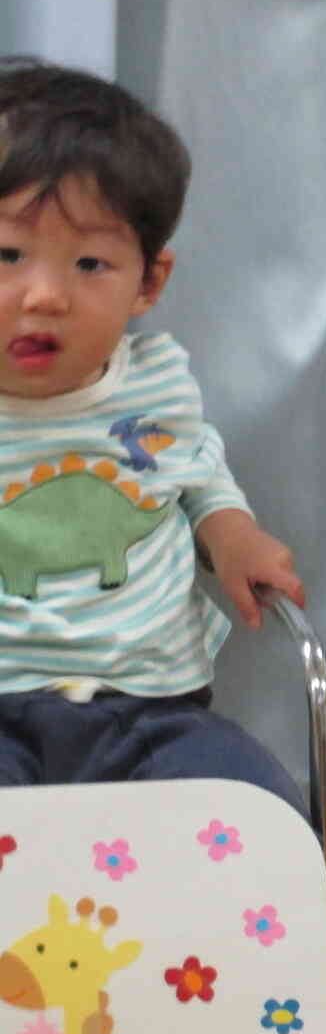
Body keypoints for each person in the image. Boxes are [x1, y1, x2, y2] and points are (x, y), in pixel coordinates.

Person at [0, 58, 308, 814]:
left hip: (149, 710)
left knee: (260, 810)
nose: (44, 295)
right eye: (7, 255)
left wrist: (231, 532)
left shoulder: (157, 381)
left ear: (148, 282)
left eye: (89, 264)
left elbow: (195, 469)